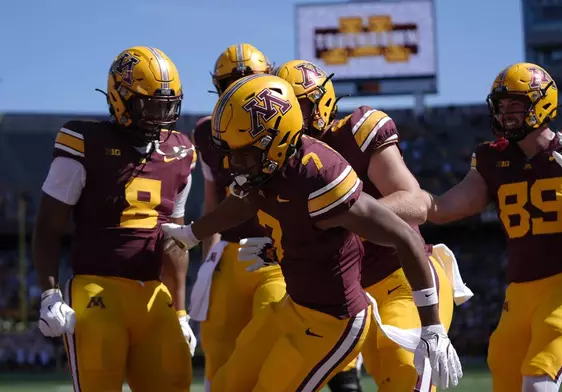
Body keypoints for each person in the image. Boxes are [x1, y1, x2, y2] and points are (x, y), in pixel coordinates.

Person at [162, 74, 462, 392]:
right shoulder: (267, 167)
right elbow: (244, 203)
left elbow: (405, 235)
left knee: (399, 377)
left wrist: (432, 325)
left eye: (244, 154)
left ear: (276, 140)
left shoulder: (319, 175)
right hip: (295, 305)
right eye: (231, 153)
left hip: (332, 320)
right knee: (227, 384)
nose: (234, 164)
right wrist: (193, 233)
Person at [424, 62, 562, 392]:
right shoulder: (491, 158)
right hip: (519, 292)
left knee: (539, 380)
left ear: (542, 102)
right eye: (501, 105)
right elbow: (443, 208)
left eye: (516, 104)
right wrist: (395, 204)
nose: (506, 113)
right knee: (506, 377)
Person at [273, 59, 469, 392]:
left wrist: (352, 221)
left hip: (403, 278)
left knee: (403, 373)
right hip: (350, 295)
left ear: (321, 102)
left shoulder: (357, 131)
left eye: (300, 105)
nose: (291, 117)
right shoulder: (285, 162)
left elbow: (416, 202)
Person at [32, 46, 196, 392]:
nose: (160, 118)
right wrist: (50, 293)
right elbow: (48, 226)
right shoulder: (83, 141)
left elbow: (176, 240)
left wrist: (181, 313)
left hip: (153, 293)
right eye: (150, 107)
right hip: (98, 287)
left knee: (175, 382)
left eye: (167, 107)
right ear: (120, 98)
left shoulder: (181, 151)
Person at [189, 43, 287, 391]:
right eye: (231, 81)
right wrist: (207, 262)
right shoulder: (206, 132)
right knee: (218, 347)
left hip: (276, 253)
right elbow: (213, 199)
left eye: (247, 79)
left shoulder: (286, 121)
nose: (238, 87)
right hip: (229, 252)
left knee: (272, 340)